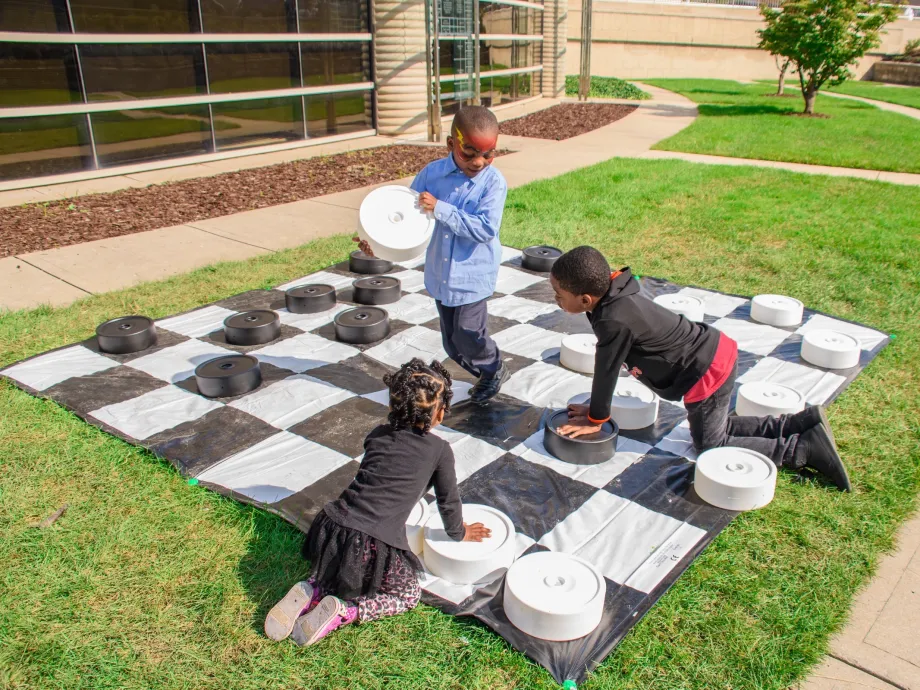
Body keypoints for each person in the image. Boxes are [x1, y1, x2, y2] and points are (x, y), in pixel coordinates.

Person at [548, 246, 851, 492]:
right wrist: (593, 410)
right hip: (715, 353)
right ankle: (799, 423)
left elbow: (607, 370)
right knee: (716, 426)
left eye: (559, 295)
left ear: (586, 298)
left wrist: (596, 418)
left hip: (703, 372)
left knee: (710, 444)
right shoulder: (615, 294)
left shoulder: (613, 319)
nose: (556, 299)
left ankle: (800, 447)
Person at [264, 358, 491, 647]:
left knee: (338, 570)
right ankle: (347, 611)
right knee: (407, 596)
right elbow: (448, 501)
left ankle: (312, 588)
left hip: (333, 526)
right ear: (440, 413)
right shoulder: (440, 451)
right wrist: (460, 532)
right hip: (372, 543)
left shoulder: (378, 434)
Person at [356, 105, 509, 404]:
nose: (479, 162)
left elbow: (485, 228)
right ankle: (481, 370)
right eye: (470, 153)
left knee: (467, 332)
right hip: (441, 275)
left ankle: (494, 368)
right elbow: (405, 218)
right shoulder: (432, 174)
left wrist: (440, 207)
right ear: (451, 144)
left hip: (472, 275)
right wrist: (375, 242)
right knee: (452, 343)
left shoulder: (493, 182)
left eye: (488, 154)